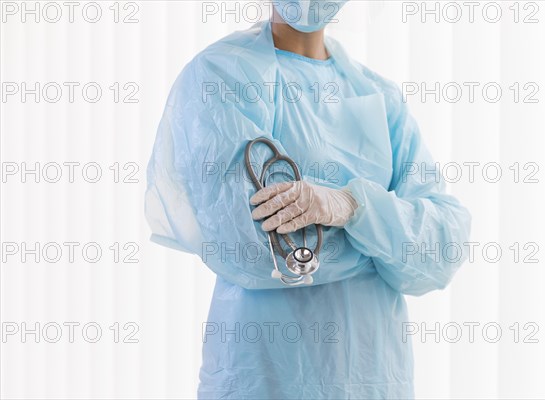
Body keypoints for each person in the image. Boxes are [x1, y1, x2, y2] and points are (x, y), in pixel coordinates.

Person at [144, 1, 471, 398]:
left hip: (375, 377)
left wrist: (350, 206)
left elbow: (442, 248)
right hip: (264, 376)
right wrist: (384, 237)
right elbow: (252, 247)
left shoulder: (379, 97)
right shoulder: (221, 76)